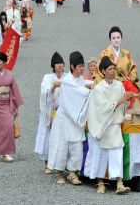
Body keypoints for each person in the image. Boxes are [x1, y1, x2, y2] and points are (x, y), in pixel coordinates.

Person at [84, 56, 133, 194]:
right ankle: (100, 182)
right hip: (103, 127)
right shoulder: (99, 89)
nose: (113, 71)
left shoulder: (119, 85)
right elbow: (102, 108)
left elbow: (123, 105)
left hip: (115, 125)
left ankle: (119, 183)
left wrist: (124, 112)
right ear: (103, 71)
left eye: (114, 68)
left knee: (117, 153)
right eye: (110, 69)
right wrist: (123, 99)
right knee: (101, 155)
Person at [47, 51, 93, 185]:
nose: (81, 68)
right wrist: (90, 90)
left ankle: (73, 173)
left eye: (82, 66)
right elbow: (78, 91)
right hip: (65, 118)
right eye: (79, 66)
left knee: (76, 146)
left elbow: (83, 85)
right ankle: (60, 173)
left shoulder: (81, 80)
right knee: (62, 145)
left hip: (76, 120)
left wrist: (92, 85)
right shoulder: (67, 81)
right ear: (72, 66)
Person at [95, 26, 140, 108]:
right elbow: (99, 70)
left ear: (121, 38)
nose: (116, 40)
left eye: (118, 37)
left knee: (133, 90)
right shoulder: (105, 53)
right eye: (113, 38)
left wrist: (132, 77)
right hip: (111, 83)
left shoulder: (126, 53)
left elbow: (132, 67)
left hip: (125, 81)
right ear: (110, 39)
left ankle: (133, 110)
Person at [34, 52, 65, 173]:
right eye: (57, 63)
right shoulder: (48, 77)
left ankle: (60, 164)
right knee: (48, 137)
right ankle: (47, 163)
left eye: (61, 63)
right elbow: (44, 93)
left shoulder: (67, 77)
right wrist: (53, 87)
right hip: (49, 111)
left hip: (62, 111)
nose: (60, 65)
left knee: (61, 137)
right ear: (53, 65)